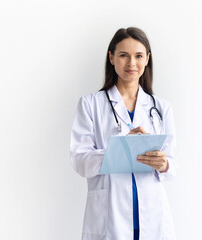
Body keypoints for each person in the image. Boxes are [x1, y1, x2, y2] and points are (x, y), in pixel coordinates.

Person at [70, 27, 177, 240]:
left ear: (147, 59)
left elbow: (172, 164)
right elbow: (80, 160)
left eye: (138, 56)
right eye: (123, 55)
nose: (131, 63)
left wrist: (163, 164)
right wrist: (119, 148)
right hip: (110, 215)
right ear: (111, 57)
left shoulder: (161, 108)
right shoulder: (91, 104)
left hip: (151, 213)